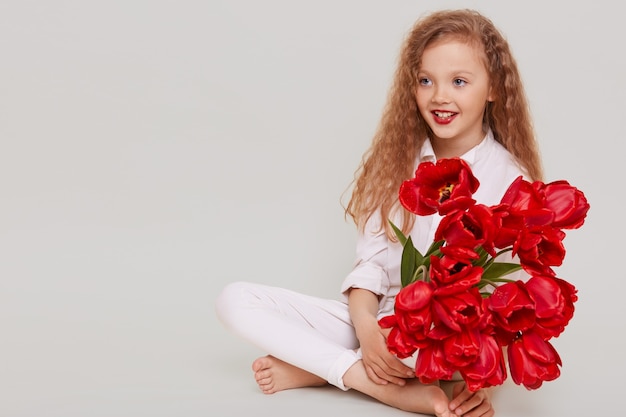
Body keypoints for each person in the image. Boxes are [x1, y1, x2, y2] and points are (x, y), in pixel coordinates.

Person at [215, 8, 543, 417]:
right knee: (236, 300)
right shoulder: (398, 161)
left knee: (438, 359)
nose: (440, 96)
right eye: (426, 80)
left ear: (493, 87)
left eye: (459, 81)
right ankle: (371, 381)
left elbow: (507, 301)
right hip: (379, 322)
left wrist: (481, 385)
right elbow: (370, 264)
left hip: (443, 340)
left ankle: (320, 368)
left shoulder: (512, 180)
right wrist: (368, 330)